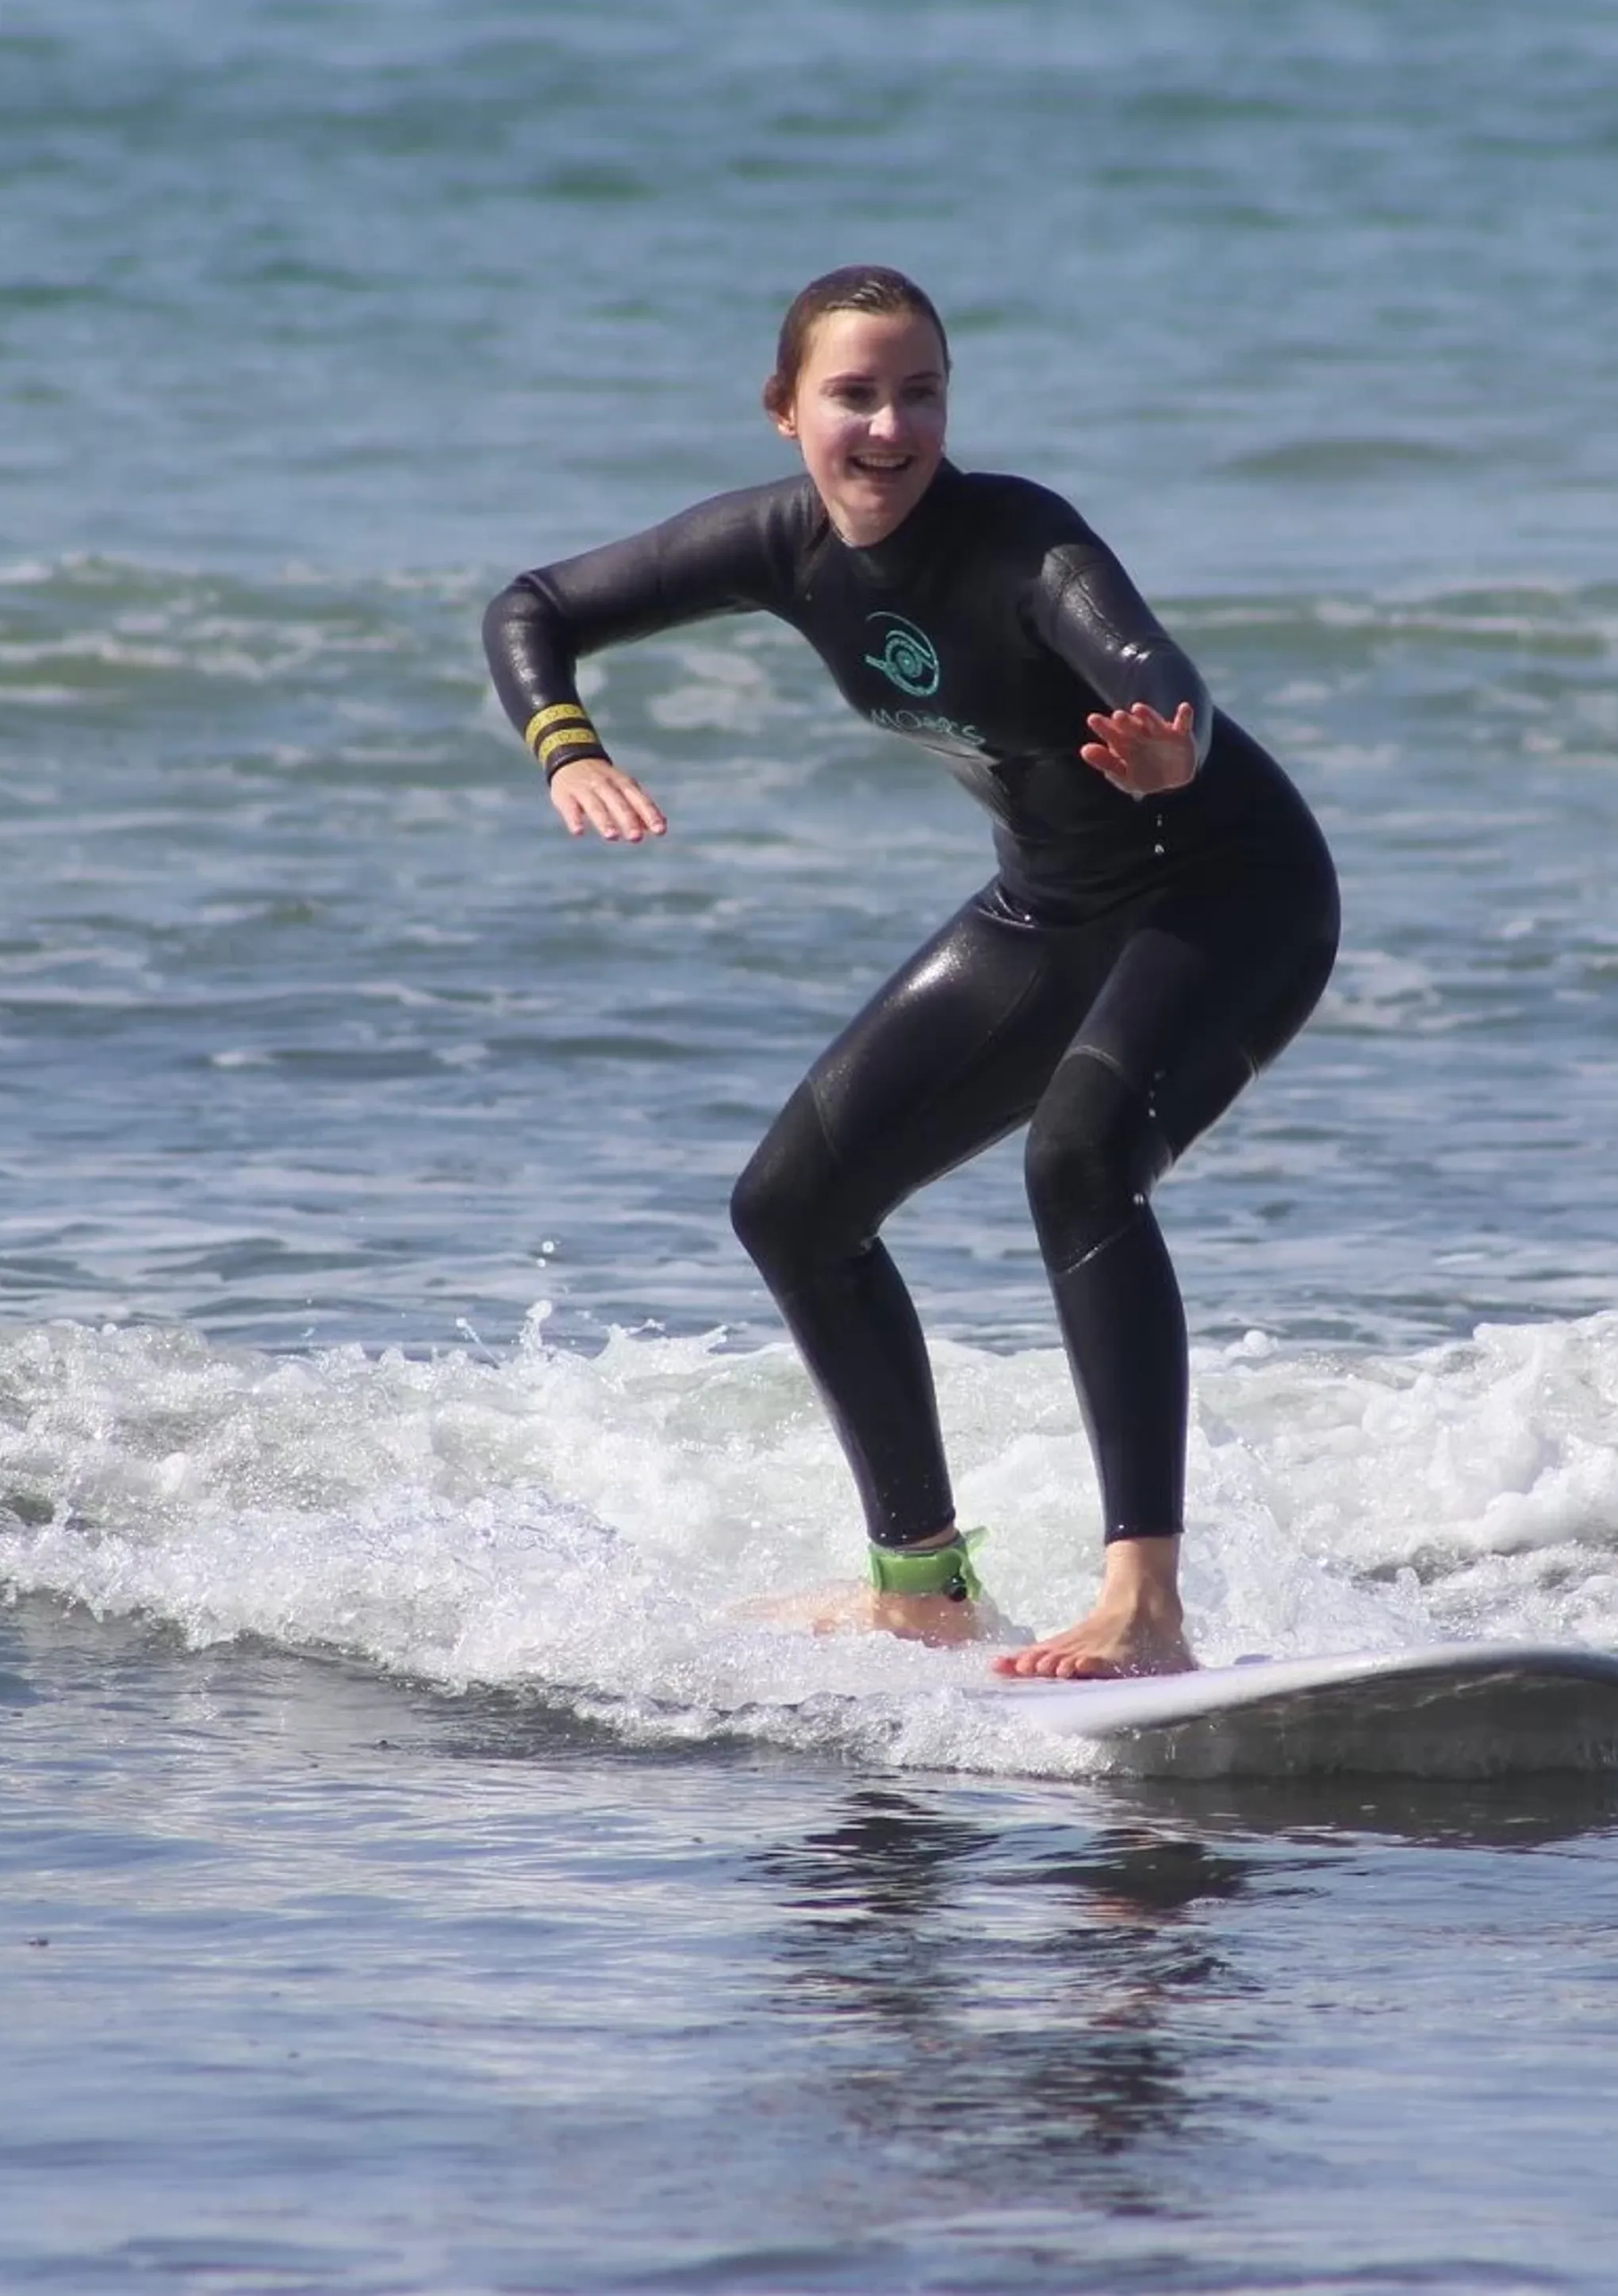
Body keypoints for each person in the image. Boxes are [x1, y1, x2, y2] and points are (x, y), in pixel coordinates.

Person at [482, 266, 1336, 1678]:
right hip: (1053, 905)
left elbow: (1147, 662)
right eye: (854, 395)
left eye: (920, 393)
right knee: (795, 1206)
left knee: (1079, 1157)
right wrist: (569, 749)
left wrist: (1169, 742)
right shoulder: (777, 544)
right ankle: (922, 1584)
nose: (889, 428)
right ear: (784, 411)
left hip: (1229, 892)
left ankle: (1147, 1606)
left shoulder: (1019, 538)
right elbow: (532, 608)